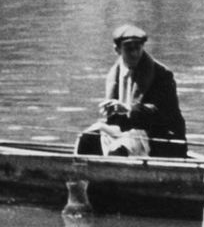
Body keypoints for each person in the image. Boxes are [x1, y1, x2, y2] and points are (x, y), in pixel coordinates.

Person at [75, 23, 189, 157]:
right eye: (129, 49)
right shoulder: (114, 74)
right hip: (126, 132)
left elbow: (162, 114)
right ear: (117, 50)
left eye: (138, 48)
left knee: (120, 148)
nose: (134, 54)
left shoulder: (161, 74)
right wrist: (109, 111)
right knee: (87, 138)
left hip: (159, 138)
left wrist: (128, 109)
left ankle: (114, 166)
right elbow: (114, 121)